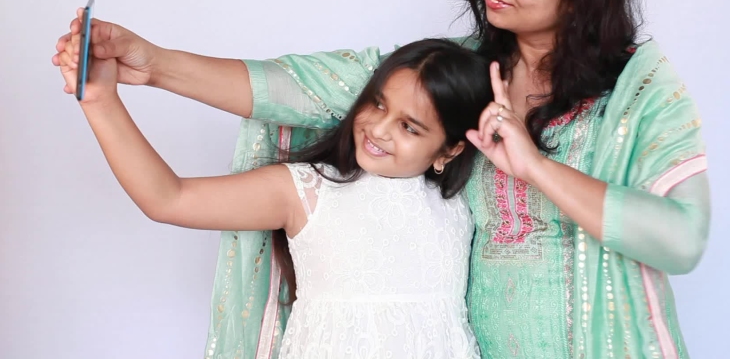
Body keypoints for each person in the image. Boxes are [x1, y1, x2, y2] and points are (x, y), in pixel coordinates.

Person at [54, 0, 710, 358]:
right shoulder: (454, 79)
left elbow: (680, 241)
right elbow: (297, 88)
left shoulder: (636, 91)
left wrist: (534, 167)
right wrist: (151, 63)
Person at [57, 38, 494, 358]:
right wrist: (99, 99)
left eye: (409, 126)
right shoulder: (304, 189)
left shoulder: (461, 205)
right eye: (377, 105)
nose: (379, 129)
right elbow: (168, 198)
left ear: (451, 149)